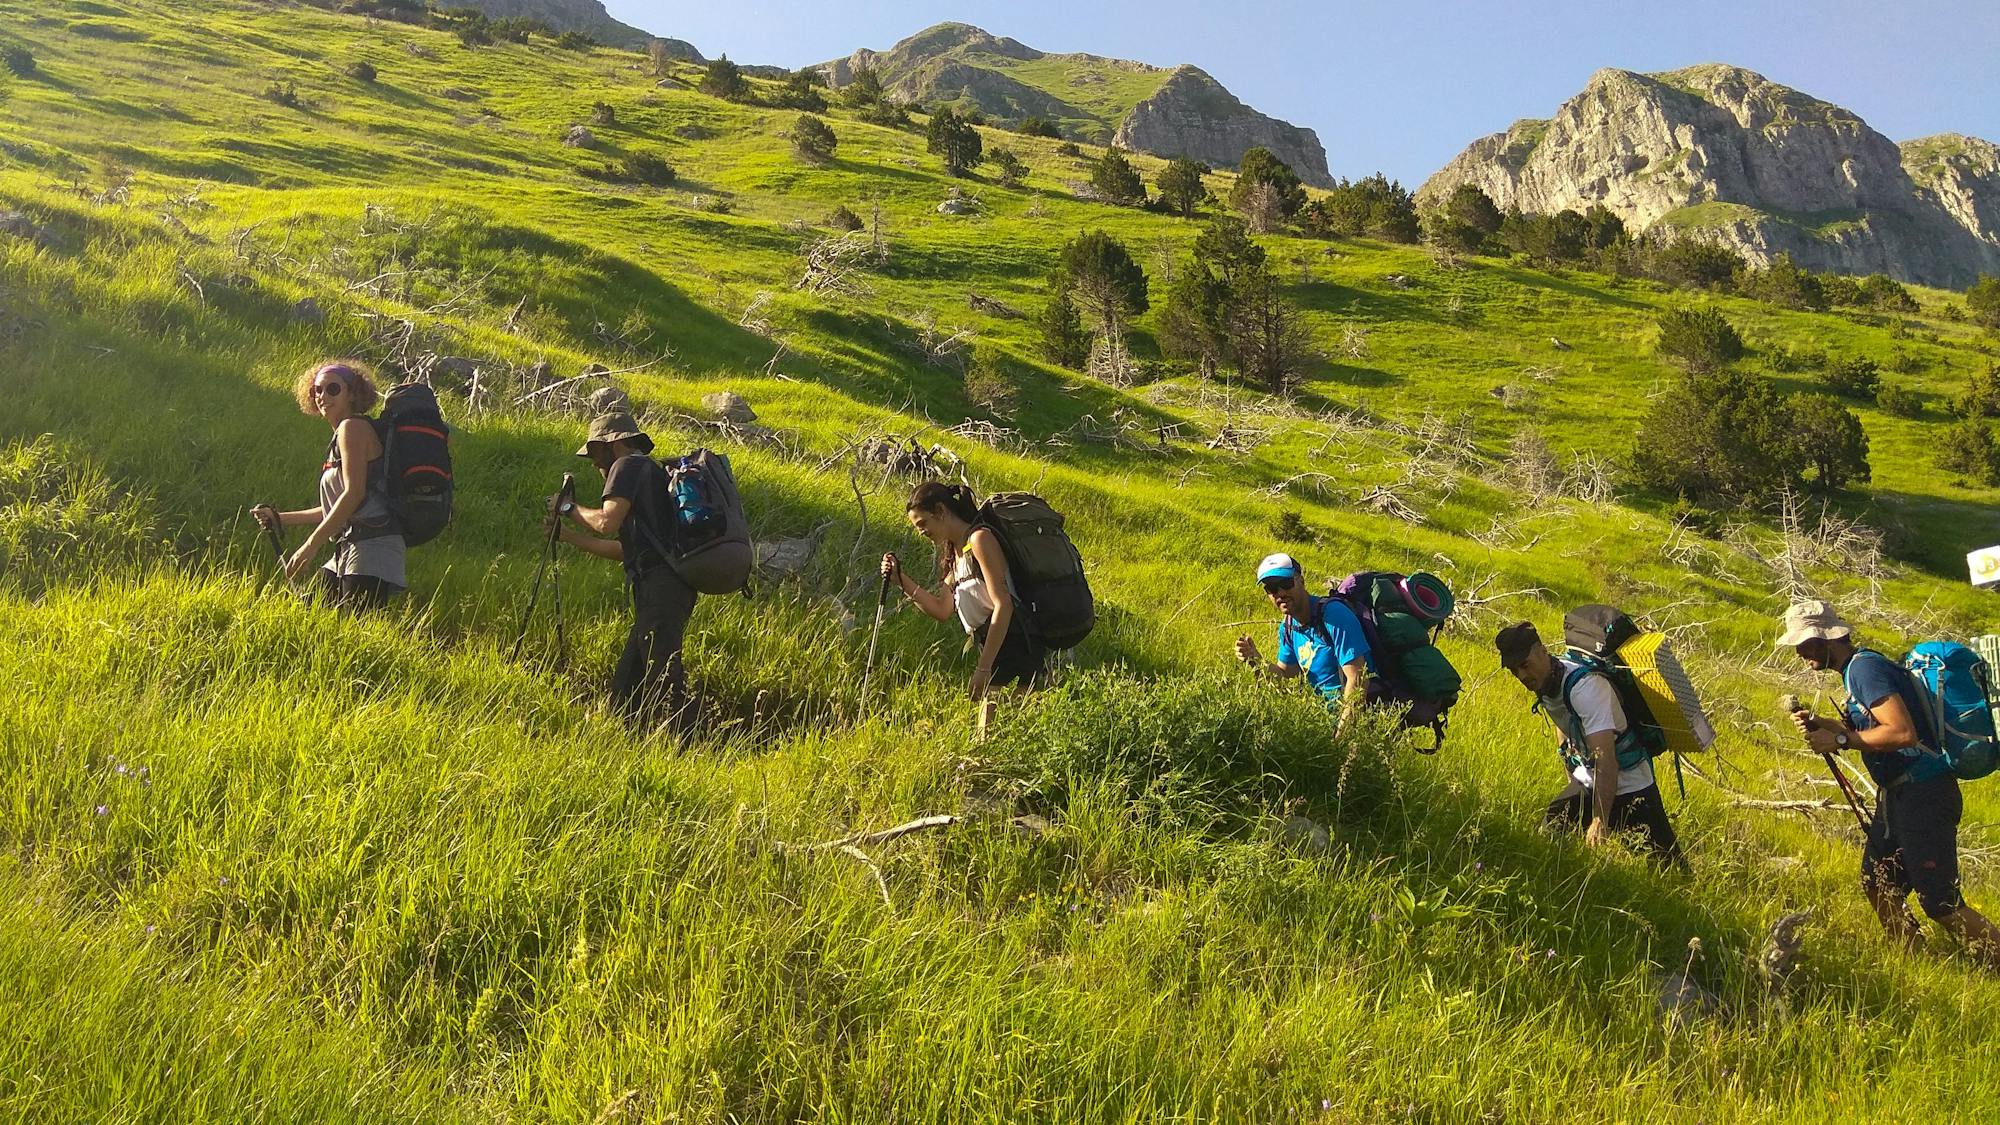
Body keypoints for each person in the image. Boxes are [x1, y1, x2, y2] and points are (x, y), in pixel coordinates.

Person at [1780, 599, 2000, 968]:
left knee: (1940, 903)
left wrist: (1839, 741)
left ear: (1828, 638)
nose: (1801, 653)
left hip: (1924, 794)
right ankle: (1915, 966)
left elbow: (1902, 733)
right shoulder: (1856, 671)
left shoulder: (1865, 670)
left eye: (1805, 643)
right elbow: (1873, 729)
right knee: (1877, 884)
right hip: (1899, 794)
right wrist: (1829, 726)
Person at [1495, 621, 1688, 870]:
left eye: (1524, 665)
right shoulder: (1546, 681)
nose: (1521, 676)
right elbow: (1562, 725)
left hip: (1631, 785)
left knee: (1670, 870)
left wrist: (1599, 819)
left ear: (1543, 651)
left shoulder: (1585, 689)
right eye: (1513, 670)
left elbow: (1606, 758)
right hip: (1590, 780)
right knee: (1548, 835)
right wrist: (1573, 778)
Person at [546, 410, 695, 726]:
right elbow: (624, 550)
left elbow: (605, 522)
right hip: (664, 586)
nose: (595, 464)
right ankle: (625, 741)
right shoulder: (649, 472)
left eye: (596, 454)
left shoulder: (626, 465)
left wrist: (568, 508)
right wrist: (567, 536)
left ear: (613, 445)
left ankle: (686, 748)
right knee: (627, 685)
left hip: (662, 589)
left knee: (664, 680)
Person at [251, 360, 405, 611]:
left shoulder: (352, 428)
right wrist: (280, 518)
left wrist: (309, 547)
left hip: (372, 550)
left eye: (333, 389)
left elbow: (353, 494)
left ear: (353, 393)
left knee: (353, 637)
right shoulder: (341, 436)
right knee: (313, 618)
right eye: (317, 390)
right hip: (349, 547)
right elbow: (335, 507)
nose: (322, 396)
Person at [880, 482, 1043, 698]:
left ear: (940, 511)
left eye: (922, 523)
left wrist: (984, 668)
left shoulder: (979, 539)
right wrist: (901, 580)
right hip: (994, 644)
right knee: (995, 729)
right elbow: (941, 610)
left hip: (1015, 641)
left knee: (993, 728)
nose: (921, 532)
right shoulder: (956, 554)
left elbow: (1003, 604)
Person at [1232, 553, 1374, 736]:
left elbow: (1359, 679)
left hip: (1361, 723)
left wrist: (1343, 735)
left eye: (1286, 584)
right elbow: (1284, 675)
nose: (1281, 593)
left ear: (1301, 581)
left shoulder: (1334, 615)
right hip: (1324, 726)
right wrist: (1255, 660)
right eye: (1272, 588)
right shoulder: (1288, 627)